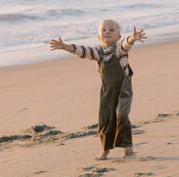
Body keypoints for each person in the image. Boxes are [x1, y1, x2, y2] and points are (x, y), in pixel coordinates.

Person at [50, 20, 146, 160]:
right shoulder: (97, 52)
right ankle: (105, 149)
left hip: (123, 89)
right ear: (99, 37)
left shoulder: (120, 51)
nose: (107, 32)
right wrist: (65, 46)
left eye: (111, 30)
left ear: (118, 36)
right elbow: (82, 51)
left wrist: (133, 38)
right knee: (105, 119)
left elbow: (127, 44)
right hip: (107, 91)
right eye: (104, 30)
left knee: (122, 115)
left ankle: (128, 147)